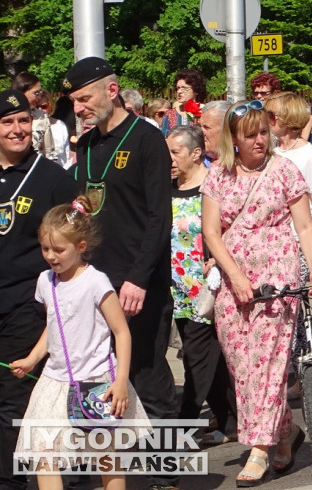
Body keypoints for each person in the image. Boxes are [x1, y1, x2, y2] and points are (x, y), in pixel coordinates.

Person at [64, 57, 178, 490]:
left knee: (147, 374)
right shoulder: (87, 144)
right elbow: (86, 204)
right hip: (96, 283)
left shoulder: (148, 139)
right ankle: (104, 472)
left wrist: (139, 278)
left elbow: (158, 218)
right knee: (98, 377)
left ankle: (166, 474)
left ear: (111, 91)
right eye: (74, 100)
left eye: (84, 98)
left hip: (138, 282)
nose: (78, 107)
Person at [200, 100, 312, 485]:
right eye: (249, 134)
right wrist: (235, 276)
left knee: (268, 367)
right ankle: (286, 431)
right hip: (234, 279)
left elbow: (305, 225)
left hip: (277, 276)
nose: (259, 140)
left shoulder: (285, 170)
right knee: (242, 367)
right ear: (233, 139)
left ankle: (258, 448)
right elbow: (210, 231)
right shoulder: (219, 175)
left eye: (263, 132)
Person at [11, 195, 148, 490]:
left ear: (81, 247)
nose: (51, 256)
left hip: (96, 381)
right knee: (43, 451)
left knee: (105, 455)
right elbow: (54, 326)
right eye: (45, 248)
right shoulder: (45, 281)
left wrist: (121, 380)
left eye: (59, 249)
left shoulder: (95, 282)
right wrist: (33, 359)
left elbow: (122, 332)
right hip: (54, 381)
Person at [0, 90, 77, 490]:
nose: (18, 129)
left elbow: (74, 239)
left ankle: (10, 481)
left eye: (24, 121)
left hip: (24, 305)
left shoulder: (52, 178)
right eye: (8, 122)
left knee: (13, 396)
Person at [166, 125, 237, 442]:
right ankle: (229, 420)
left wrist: (218, 258)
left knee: (197, 359)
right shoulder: (164, 188)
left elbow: (230, 228)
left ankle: (180, 429)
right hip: (176, 291)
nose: (168, 159)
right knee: (212, 360)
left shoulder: (212, 187)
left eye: (175, 152)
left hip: (207, 290)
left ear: (196, 153)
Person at [265, 92, 312, 282]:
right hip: (273, 244)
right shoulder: (270, 151)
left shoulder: (308, 154)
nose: (267, 120)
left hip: (300, 244)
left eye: (271, 115)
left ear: (286, 118)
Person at [10, 72, 57, 163]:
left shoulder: (42, 117)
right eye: (36, 93)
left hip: (36, 170)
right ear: (22, 93)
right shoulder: (5, 114)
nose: (39, 97)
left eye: (40, 92)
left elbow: (49, 152)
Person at [162, 69, 207, 135]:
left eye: (184, 88)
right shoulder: (170, 115)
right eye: (178, 88)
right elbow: (165, 139)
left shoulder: (205, 113)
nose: (179, 91)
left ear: (196, 90)